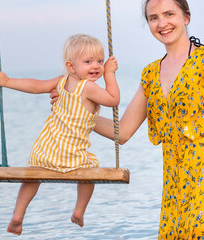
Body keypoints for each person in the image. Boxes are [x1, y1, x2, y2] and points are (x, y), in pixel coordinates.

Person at [50, 0, 204, 239]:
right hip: (176, 186)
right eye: (153, 18)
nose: (162, 23)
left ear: (186, 17)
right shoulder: (151, 74)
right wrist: (73, 109)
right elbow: (122, 132)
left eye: (169, 14)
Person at [0, 34, 119, 235]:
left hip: (44, 150)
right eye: (88, 61)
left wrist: (8, 81)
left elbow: (35, 86)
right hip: (72, 155)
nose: (96, 66)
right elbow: (113, 99)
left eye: (100, 61)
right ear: (72, 67)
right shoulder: (89, 87)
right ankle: (79, 211)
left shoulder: (61, 82)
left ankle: (18, 215)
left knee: (32, 176)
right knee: (90, 172)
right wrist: (110, 74)